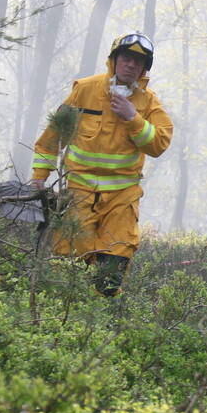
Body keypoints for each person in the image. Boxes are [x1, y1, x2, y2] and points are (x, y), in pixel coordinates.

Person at [30, 33, 173, 296]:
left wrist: (133, 118)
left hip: (122, 196)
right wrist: (40, 177)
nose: (131, 65)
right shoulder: (85, 90)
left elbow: (159, 144)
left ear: (144, 68)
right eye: (126, 58)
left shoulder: (148, 102)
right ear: (114, 60)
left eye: (138, 61)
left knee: (115, 260)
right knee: (68, 257)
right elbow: (52, 137)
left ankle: (99, 320)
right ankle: (63, 315)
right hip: (79, 192)